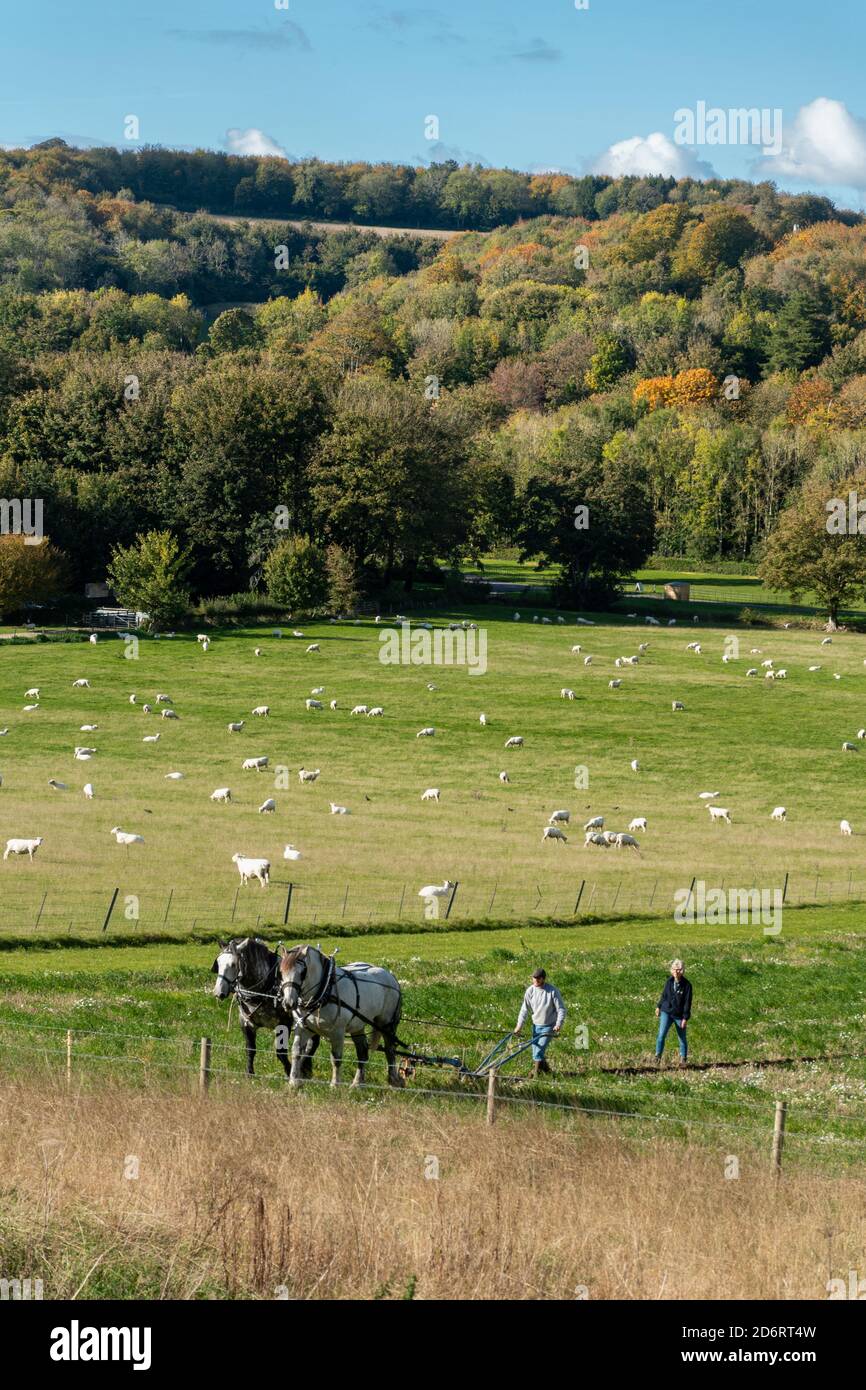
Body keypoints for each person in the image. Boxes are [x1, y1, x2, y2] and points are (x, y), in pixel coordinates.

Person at [513, 967, 566, 1077]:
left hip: (549, 1026)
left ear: (543, 979)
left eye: (538, 978)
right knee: (536, 1052)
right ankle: (547, 1072)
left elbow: (561, 1009)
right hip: (536, 1026)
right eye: (534, 978)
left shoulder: (552, 991)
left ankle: (536, 1075)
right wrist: (519, 1026)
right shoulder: (530, 991)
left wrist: (558, 1024)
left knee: (538, 1052)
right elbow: (524, 1010)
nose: (535, 980)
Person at [655, 958, 692, 1064]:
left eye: (679, 969)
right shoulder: (669, 982)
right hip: (666, 1011)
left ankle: (683, 1059)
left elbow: (687, 1003)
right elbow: (664, 996)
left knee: (682, 1038)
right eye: (674, 969)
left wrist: (685, 1018)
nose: (676, 971)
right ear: (671, 970)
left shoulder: (687, 985)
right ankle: (657, 1057)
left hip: (679, 1015)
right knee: (661, 1035)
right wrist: (659, 1006)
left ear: (683, 970)